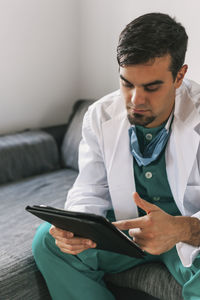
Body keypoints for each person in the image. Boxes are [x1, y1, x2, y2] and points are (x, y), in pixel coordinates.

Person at [32, 12, 200, 300]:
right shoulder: (99, 115)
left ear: (179, 77)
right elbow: (90, 188)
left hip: (187, 235)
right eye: (127, 83)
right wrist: (75, 228)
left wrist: (182, 228)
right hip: (127, 233)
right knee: (47, 241)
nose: (136, 100)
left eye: (151, 87)